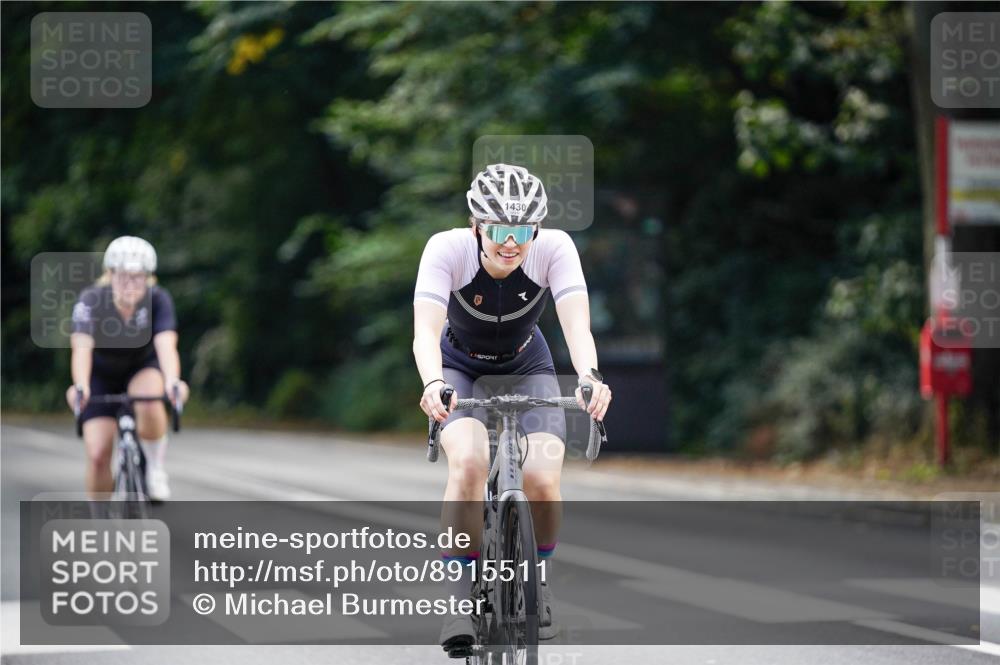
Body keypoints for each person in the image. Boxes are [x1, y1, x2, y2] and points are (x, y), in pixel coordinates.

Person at [413, 163, 611, 654]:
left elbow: (576, 327)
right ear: (477, 224)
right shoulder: (447, 249)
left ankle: (536, 583)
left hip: (528, 364)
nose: (511, 242)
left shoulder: (554, 249)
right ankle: (459, 603)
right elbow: (424, 331)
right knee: (470, 463)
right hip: (459, 367)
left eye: (523, 230)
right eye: (498, 229)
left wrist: (589, 377)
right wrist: (434, 382)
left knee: (544, 477)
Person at [65, 236, 189, 501]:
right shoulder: (91, 300)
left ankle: (154, 467)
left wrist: (173, 381)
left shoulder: (158, 299)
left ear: (148, 278)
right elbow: (81, 347)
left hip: (141, 367)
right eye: (123, 276)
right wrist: (81, 385)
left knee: (149, 400)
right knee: (98, 454)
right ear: (110, 275)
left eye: (138, 277)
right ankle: (100, 523)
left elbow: (166, 345)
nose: (130, 284)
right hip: (100, 375)